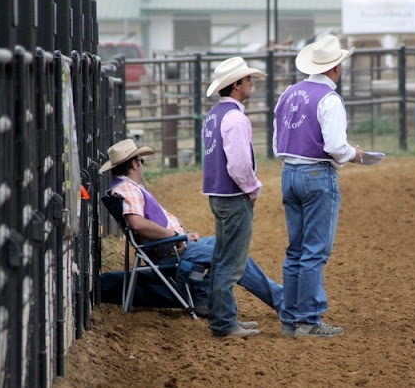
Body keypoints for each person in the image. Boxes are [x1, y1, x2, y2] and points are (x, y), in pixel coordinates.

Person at [98, 139, 282, 334]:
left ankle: (205, 298)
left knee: (229, 246)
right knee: (233, 254)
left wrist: (182, 235)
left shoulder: (125, 187)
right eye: (141, 162)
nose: (142, 166)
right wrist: (175, 236)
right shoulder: (128, 189)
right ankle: (279, 301)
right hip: (170, 249)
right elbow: (137, 223)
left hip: (172, 244)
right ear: (135, 164)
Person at [272, 35, 365, 338]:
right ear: (335, 67)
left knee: (296, 250)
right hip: (317, 175)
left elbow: (277, 143)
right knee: (314, 251)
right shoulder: (329, 100)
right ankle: (309, 320)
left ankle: (290, 319)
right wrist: (355, 154)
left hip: (289, 173)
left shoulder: (288, 93)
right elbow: (337, 146)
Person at [202, 57, 266, 337]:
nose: (251, 82)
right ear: (236, 85)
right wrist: (252, 188)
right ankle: (224, 323)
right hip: (233, 195)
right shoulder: (236, 118)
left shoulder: (214, 115)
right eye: (247, 79)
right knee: (231, 262)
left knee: (221, 258)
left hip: (217, 193)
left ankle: (222, 318)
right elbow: (239, 165)